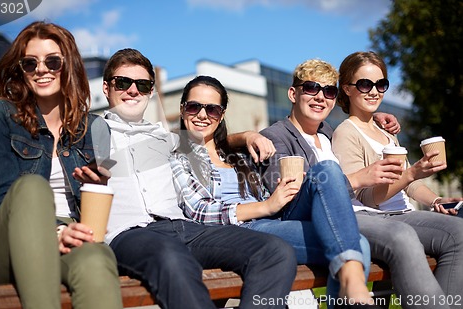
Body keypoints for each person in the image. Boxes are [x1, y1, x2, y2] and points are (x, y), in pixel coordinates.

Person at [75, 48, 298, 309]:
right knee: (172, 257)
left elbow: (215, 139)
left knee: (275, 251)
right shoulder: (88, 133)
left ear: (150, 92)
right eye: (123, 83)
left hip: (184, 228)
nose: (133, 90)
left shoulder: (166, 138)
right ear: (106, 87)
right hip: (130, 234)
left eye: (143, 84)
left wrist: (248, 135)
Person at [171, 75, 384, 309]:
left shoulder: (237, 155)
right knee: (359, 245)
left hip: (272, 221)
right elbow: (198, 211)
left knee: (328, 169)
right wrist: (266, 206)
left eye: (212, 109)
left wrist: (250, 139)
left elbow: (237, 155)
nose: (202, 115)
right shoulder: (178, 157)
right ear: (182, 110)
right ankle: (355, 293)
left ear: (221, 115)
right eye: (194, 107)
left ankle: (353, 289)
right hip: (238, 232)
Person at [0, 22, 123, 309]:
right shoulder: (0, 115)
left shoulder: (94, 128)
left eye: (52, 61)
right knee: (32, 187)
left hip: (70, 234)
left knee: (97, 260)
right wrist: (55, 233)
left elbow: (92, 215)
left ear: (69, 65)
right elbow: (1, 201)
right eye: (29, 63)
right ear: (21, 70)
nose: (41, 69)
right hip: (3, 246)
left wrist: (96, 189)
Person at [332, 51, 463, 308]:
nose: (374, 91)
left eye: (381, 84)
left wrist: (436, 199)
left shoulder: (386, 133)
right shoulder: (346, 133)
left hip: (402, 214)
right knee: (421, 236)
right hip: (373, 218)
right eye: (364, 84)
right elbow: (367, 198)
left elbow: (408, 184)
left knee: (459, 230)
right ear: (347, 89)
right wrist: (411, 172)